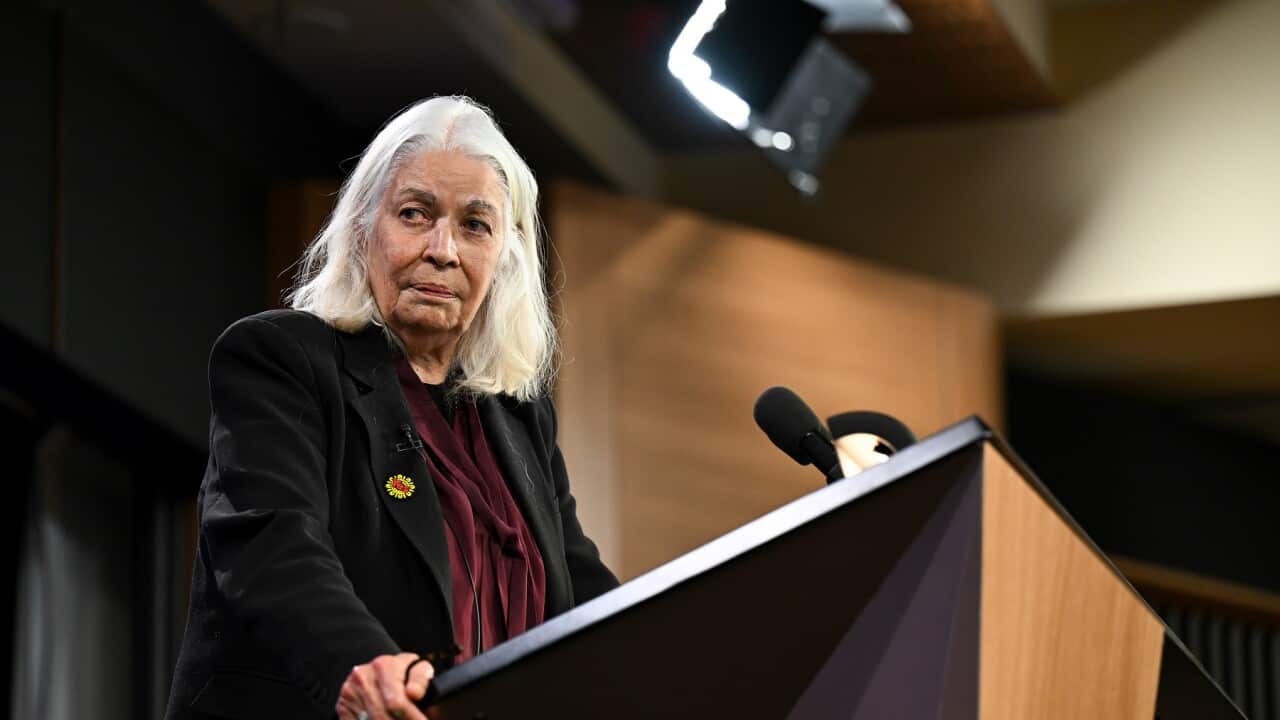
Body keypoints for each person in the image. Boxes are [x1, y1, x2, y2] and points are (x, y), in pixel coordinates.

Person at [165, 96, 619, 720]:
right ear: (362, 227)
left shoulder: (517, 416)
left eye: (475, 226)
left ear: (504, 256)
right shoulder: (281, 360)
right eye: (415, 214)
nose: (444, 250)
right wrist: (360, 665)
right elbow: (273, 545)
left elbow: (584, 598)